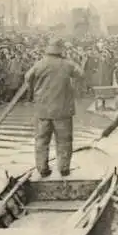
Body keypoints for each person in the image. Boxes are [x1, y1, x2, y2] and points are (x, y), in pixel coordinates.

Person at [23, 38, 85, 178]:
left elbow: (27, 78)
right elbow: (81, 74)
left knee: (41, 141)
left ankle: (42, 169)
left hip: (42, 110)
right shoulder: (67, 64)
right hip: (62, 111)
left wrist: (35, 92)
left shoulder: (39, 64)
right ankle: (64, 169)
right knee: (64, 140)